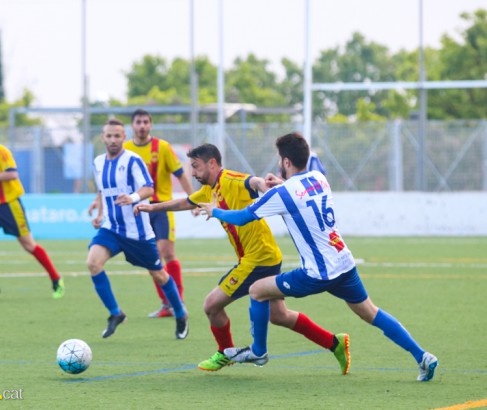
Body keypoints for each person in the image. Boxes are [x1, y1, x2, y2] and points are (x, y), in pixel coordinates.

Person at [199, 132, 438, 382]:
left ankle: (258, 352)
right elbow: (297, 192)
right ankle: (422, 357)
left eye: (280, 159)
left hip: (317, 272)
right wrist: (281, 183)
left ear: (287, 162)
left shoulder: (282, 194)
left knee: (257, 290)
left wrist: (214, 211)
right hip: (343, 262)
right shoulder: (318, 177)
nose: (279, 163)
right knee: (371, 312)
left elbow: (242, 217)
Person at [135, 143, 350, 373]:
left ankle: (225, 352)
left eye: (196, 167)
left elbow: (251, 182)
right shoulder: (209, 189)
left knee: (211, 305)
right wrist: (152, 208)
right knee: (279, 315)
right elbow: (186, 202)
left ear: (212, 163)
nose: (194, 173)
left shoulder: (229, 179)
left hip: (257, 259)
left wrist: (262, 184)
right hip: (265, 255)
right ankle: (334, 343)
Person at [86, 118, 188, 340]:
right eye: (109, 136)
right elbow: (104, 190)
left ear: (124, 137)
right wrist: (101, 213)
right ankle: (116, 313)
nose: (113, 140)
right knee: (93, 263)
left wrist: (132, 198)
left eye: (117, 136)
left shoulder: (133, 160)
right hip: (111, 229)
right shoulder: (98, 162)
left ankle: (180, 313)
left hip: (138, 233)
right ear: (103, 138)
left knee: (159, 274)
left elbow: (149, 188)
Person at [0, 122, 64, 299]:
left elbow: (12, 174)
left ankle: (56, 279)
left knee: (29, 245)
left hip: (11, 204)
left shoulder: (1, 152)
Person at [124, 109, 194, 318]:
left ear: (151, 125)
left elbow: (181, 175)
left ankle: (177, 302)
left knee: (167, 252)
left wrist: (194, 201)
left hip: (161, 207)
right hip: (139, 209)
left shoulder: (162, 147)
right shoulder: (126, 149)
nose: (142, 126)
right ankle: (167, 304)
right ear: (132, 125)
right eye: (138, 122)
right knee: (151, 258)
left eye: (146, 122)